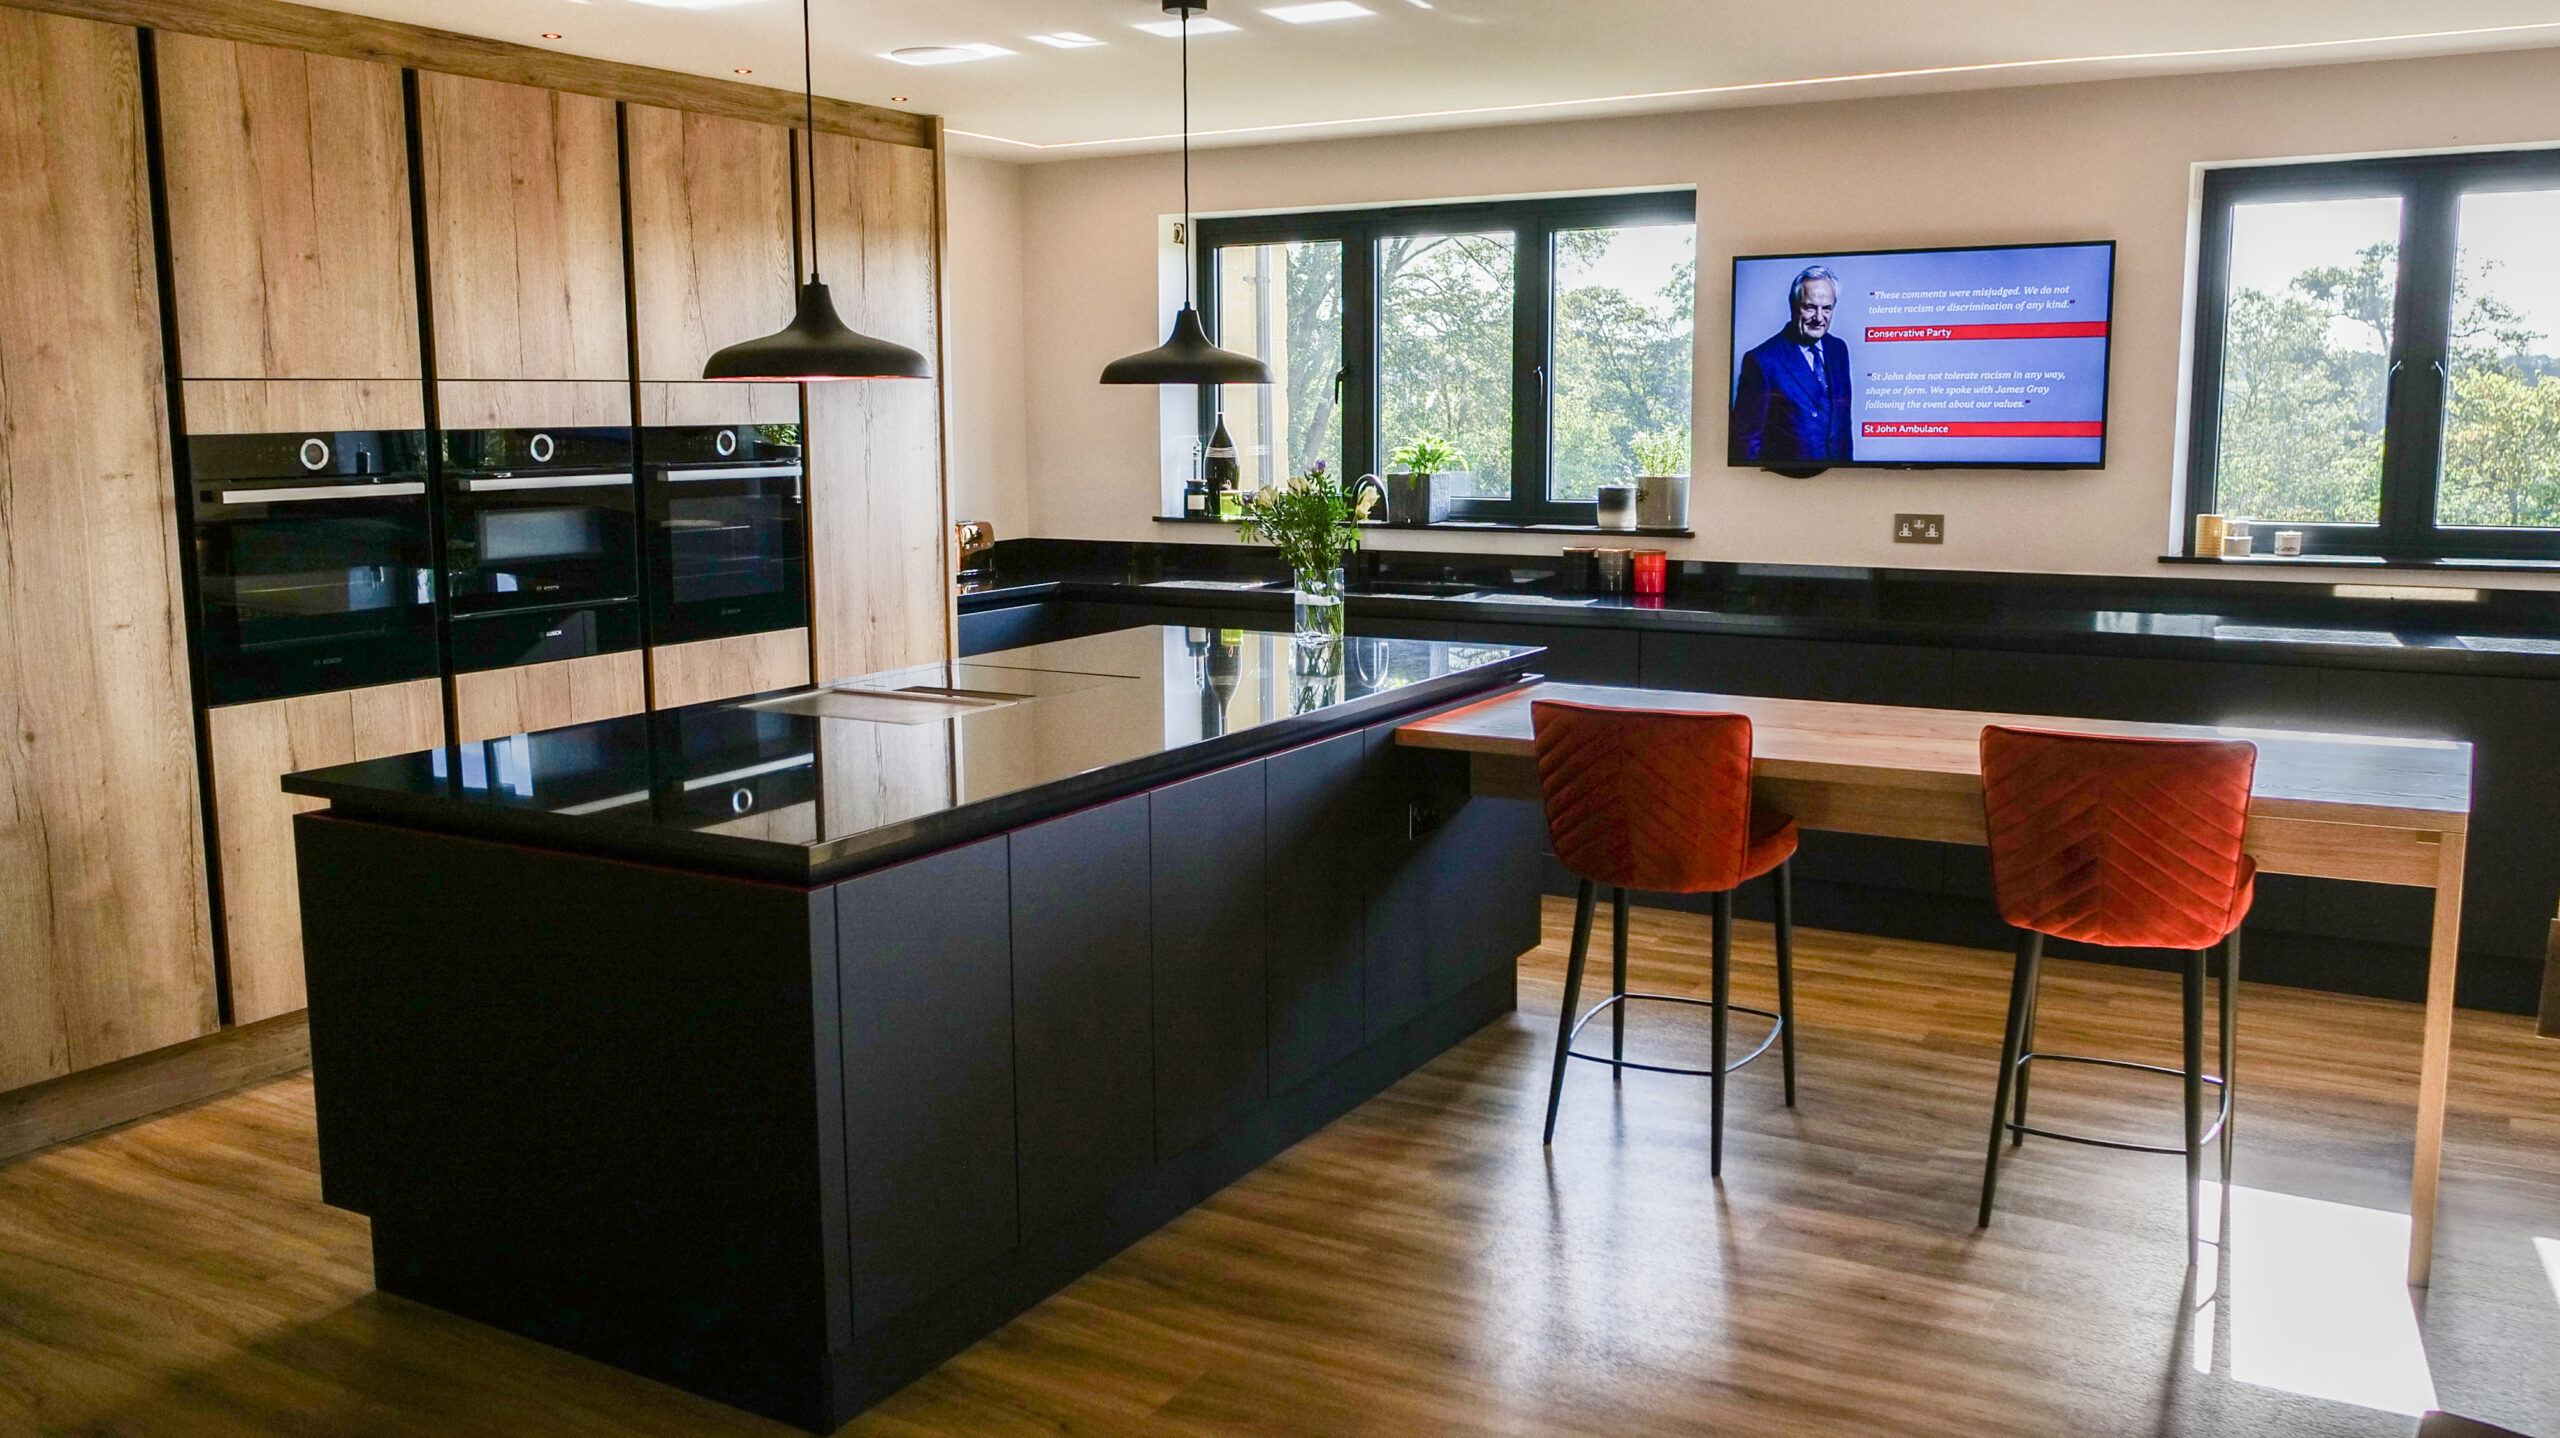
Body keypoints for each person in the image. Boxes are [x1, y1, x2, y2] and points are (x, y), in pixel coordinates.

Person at [1732, 264, 1854, 465]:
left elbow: (1842, 425)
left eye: (1827, 309)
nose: (1819, 318)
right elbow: (1746, 443)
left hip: (1840, 481)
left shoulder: (1838, 349)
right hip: (1788, 485)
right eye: (1810, 307)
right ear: (1793, 305)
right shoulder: (1762, 361)